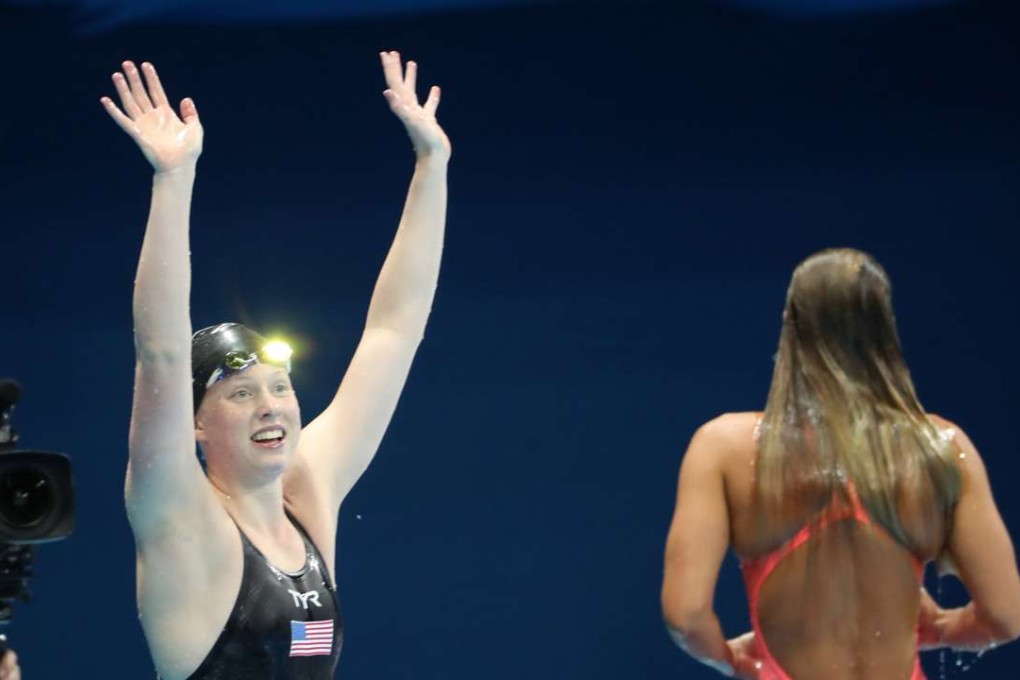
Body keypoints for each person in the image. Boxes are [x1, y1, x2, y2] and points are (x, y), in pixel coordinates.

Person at [101, 52, 449, 679]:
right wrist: (173, 180)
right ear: (195, 423)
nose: (270, 405)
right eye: (238, 394)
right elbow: (160, 350)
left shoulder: (308, 494)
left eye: (280, 388)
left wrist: (433, 166)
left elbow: (393, 333)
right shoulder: (179, 517)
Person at [660, 248, 1020, 679]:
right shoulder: (940, 448)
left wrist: (731, 660)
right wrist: (942, 627)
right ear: (886, 331)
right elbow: (1004, 616)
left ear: (788, 323)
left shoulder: (724, 448)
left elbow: (687, 616)